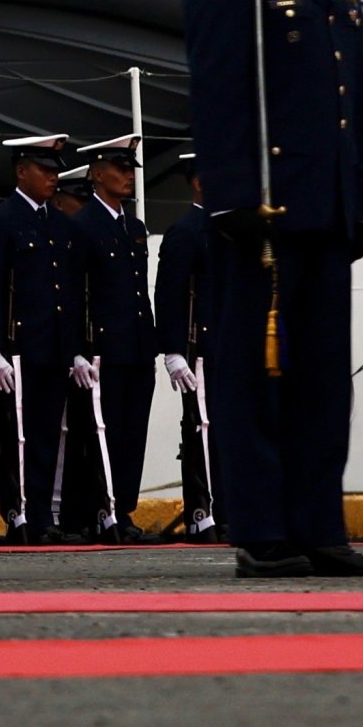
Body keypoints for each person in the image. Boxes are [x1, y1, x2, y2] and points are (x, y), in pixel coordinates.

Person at [187, 0, 363, 577]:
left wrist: (358, 198)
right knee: (257, 375)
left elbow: (351, 98)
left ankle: (319, 528)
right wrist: (234, 197)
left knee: (318, 381)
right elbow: (216, 89)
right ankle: (263, 532)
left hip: (323, 205)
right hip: (263, 207)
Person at [0, 136, 83, 543]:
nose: (52, 177)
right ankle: (19, 514)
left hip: (53, 348)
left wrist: (74, 349)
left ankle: (42, 513)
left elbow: (67, 294)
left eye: (56, 170)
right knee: (17, 437)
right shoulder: (1, 222)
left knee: (46, 435)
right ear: (21, 171)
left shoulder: (58, 224)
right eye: (44, 169)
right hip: (19, 348)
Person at [64, 136, 153, 543]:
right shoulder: (83, 226)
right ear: (97, 174)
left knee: (133, 433)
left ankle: (124, 508)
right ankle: (101, 510)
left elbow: (139, 290)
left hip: (136, 346)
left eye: (129, 169)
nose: (126, 176)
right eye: (118, 169)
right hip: (103, 349)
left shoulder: (132, 228)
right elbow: (73, 293)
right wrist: (78, 352)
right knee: (103, 433)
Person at [154, 171, 219, 541]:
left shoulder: (227, 230)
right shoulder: (186, 231)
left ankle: (224, 507)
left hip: (226, 348)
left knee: (225, 433)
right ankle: (201, 512)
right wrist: (173, 350)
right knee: (201, 430)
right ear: (198, 181)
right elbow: (170, 293)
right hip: (200, 348)